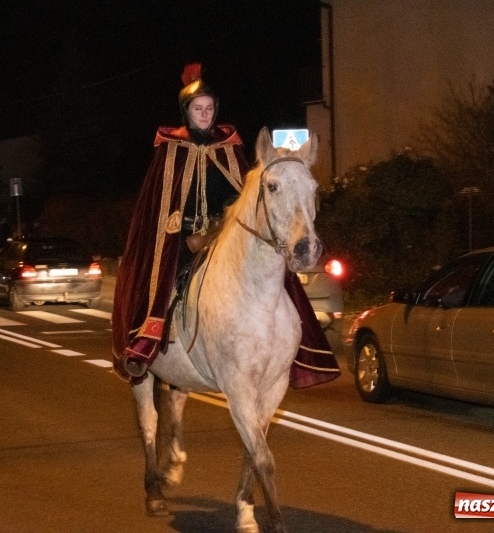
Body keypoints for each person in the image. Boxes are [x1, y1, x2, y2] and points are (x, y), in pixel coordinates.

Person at [112, 63, 340, 388]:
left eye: (209, 108)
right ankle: (146, 343)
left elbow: (243, 193)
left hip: (224, 232)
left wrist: (227, 220)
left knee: (273, 272)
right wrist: (182, 229)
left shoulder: (228, 148)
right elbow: (159, 201)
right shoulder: (171, 150)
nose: (204, 114)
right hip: (183, 236)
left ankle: (293, 342)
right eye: (198, 108)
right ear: (187, 112)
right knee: (162, 277)